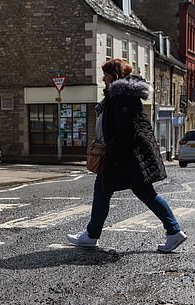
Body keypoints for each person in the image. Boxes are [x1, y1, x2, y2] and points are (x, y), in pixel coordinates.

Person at [67, 58, 187, 253]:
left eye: (105, 74)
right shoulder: (117, 97)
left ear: (115, 75)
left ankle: (92, 235)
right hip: (126, 157)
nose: (103, 78)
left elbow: (126, 131)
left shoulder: (123, 98)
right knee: (123, 193)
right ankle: (92, 234)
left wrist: (110, 153)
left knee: (123, 192)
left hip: (127, 158)